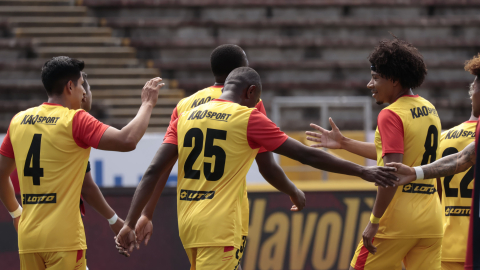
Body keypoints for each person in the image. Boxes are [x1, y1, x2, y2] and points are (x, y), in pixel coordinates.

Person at [115, 67, 399, 270]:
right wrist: (362, 171)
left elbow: (153, 171)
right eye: (257, 99)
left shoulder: (186, 115)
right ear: (250, 92)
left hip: (188, 227)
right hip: (220, 228)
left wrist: (129, 222)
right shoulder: (248, 117)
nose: (257, 105)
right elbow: (303, 154)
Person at [132, 44, 307, 267]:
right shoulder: (248, 102)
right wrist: (293, 190)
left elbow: (162, 166)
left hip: (189, 221)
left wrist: (147, 213)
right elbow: (266, 165)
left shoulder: (184, 105)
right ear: (241, 70)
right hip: (225, 221)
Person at [0, 56, 163, 270]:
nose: (83, 92)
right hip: (63, 239)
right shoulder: (75, 120)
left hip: (29, 237)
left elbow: (1, 174)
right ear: (70, 86)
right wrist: (148, 103)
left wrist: (16, 213)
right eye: (80, 86)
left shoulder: (19, 120)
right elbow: (127, 140)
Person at [306, 37, 443, 269]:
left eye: (376, 78)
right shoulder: (429, 108)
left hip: (398, 219)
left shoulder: (391, 114)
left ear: (395, 80)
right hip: (431, 219)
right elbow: (399, 154)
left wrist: (374, 221)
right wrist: (345, 143)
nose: (370, 84)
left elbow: (390, 174)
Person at [386, 53, 480, 270]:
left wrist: (345, 143)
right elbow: (462, 158)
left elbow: (441, 172)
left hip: (448, 244)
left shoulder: (445, 137)